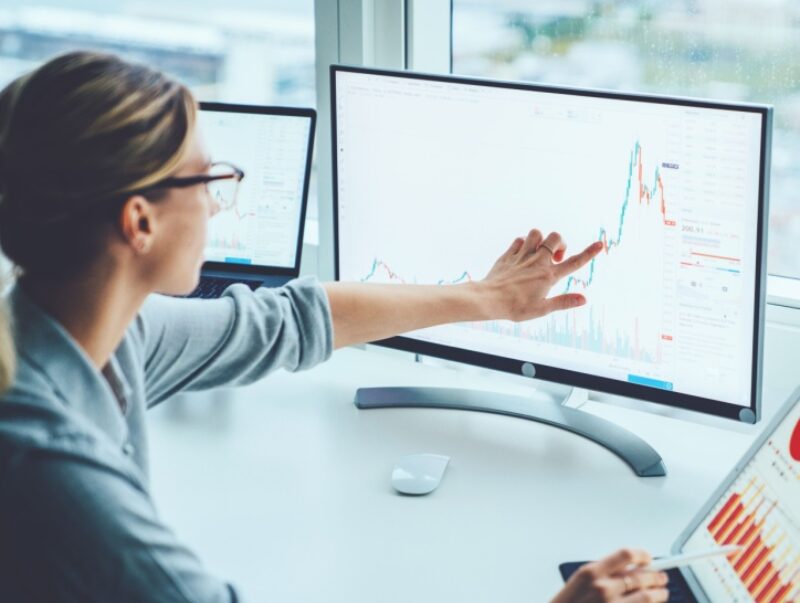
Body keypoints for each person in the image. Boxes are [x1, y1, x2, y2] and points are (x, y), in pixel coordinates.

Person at [0, 51, 669, 602]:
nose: (215, 200)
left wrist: (488, 297)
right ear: (139, 222)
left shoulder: (82, 333)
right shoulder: (50, 470)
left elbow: (288, 320)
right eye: (206, 178)